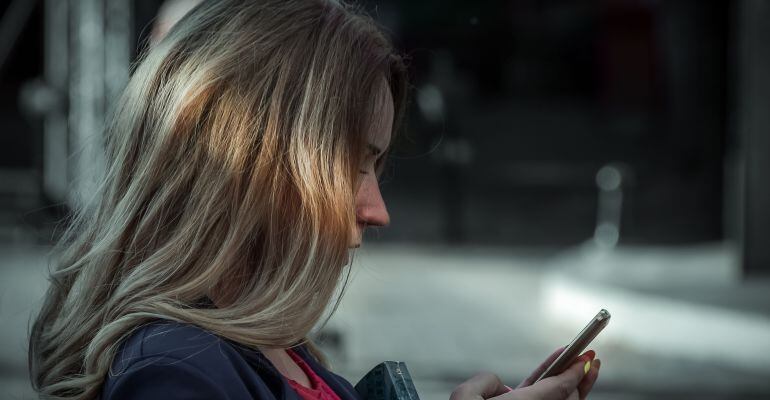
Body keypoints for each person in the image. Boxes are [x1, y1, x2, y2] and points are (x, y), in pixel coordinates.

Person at [28, 1, 601, 399]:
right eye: (350, 167)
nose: (378, 211)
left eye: (375, 169)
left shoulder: (262, 346)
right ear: (247, 170)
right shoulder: (178, 374)